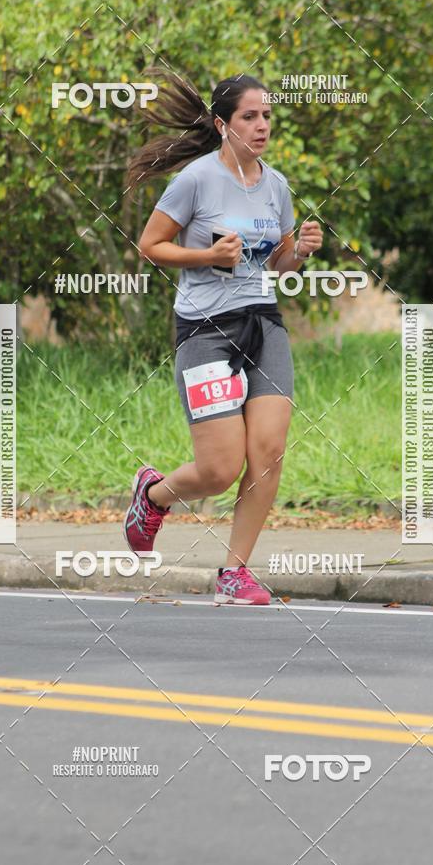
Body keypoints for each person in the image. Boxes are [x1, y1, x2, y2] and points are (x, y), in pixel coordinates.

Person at [123, 69, 323, 605]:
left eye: (267, 116)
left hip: (263, 324)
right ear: (222, 124)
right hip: (205, 331)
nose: (262, 126)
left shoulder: (276, 185)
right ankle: (153, 495)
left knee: (269, 451)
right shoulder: (196, 180)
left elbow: (279, 264)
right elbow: (150, 245)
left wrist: (301, 251)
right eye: (249, 117)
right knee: (219, 469)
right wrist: (207, 256)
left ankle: (235, 573)